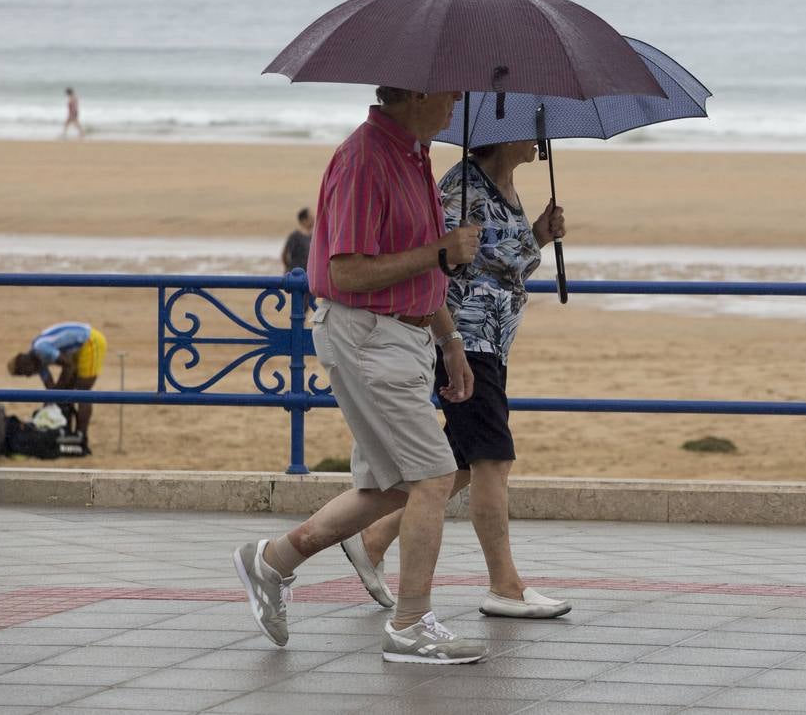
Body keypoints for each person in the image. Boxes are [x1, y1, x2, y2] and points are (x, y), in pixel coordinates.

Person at [232, 86, 488, 664]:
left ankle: (271, 561)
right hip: (369, 336)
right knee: (434, 476)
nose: (456, 103)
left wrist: (448, 339)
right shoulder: (365, 159)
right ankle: (410, 622)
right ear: (415, 92)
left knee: (389, 485)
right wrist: (439, 253)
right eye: (449, 91)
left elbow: (422, 259)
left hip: (406, 336)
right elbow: (345, 272)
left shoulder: (414, 154)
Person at [342, 140, 570, 620]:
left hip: (493, 340)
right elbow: (437, 263)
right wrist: (451, 343)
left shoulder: (504, 186)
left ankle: (373, 539)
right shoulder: (461, 188)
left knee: (463, 462)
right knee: (493, 460)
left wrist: (539, 236)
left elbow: (501, 263)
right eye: (533, 129)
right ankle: (505, 586)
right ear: (504, 133)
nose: (539, 139)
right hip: (467, 342)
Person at [7, 322, 106, 453]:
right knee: (67, 393)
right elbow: (51, 389)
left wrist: (58, 394)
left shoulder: (42, 349)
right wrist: (50, 404)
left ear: (25, 364)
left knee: (83, 392)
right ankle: (71, 433)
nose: (28, 376)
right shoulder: (38, 362)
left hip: (90, 341)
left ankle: (81, 435)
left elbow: (69, 365)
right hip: (77, 349)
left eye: (26, 373)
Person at [280, 207, 314, 273]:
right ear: (304, 220)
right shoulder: (295, 236)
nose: (314, 219)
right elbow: (285, 255)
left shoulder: (313, 237)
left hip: (307, 275)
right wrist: (289, 270)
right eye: (311, 217)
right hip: (295, 275)